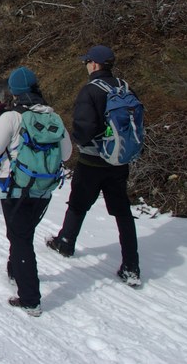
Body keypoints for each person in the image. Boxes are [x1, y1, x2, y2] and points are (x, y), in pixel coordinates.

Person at [46, 44, 142, 287]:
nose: (86, 65)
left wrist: (78, 139)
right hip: (119, 159)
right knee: (122, 211)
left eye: (87, 62)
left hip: (92, 160)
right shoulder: (123, 87)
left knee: (78, 203)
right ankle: (131, 266)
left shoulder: (90, 91)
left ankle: (66, 242)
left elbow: (84, 129)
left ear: (95, 64)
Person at [0, 67, 72, 317]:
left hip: (15, 187)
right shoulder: (53, 117)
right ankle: (15, 270)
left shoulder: (12, 117)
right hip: (43, 188)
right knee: (22, 233)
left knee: (21, 239)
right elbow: (66, 154)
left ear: (14, 91)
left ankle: (30, 298)